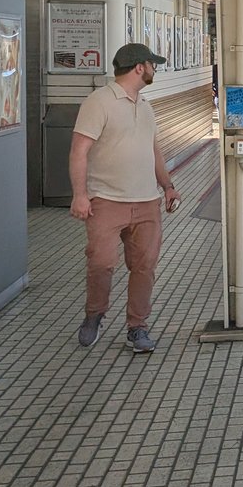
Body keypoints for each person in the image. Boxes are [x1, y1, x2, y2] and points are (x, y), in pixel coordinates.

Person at [70, 43, 179, 353]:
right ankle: (94, 314)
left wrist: (168, 186)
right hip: (105, 200)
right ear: (139, 68)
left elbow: (153, 150)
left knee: (145, 266)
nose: (155, 69)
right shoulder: (99, 102)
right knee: (101, 263)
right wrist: (80, 195)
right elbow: (79, 150)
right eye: (152, 64)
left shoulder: (145, 105)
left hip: (147, 202)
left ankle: (137, 327)